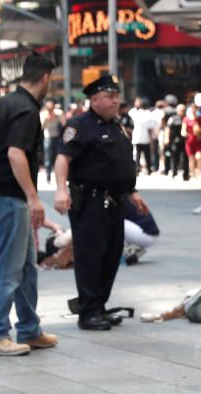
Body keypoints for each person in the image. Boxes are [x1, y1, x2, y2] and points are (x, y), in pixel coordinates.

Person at [54, 74, 150, 331]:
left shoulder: (115, 125)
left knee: (111, 255)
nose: (115, 101)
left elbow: (120, 164)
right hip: (91, 201)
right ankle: (88, 312)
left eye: (116, 96)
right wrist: (61, 190)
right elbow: (63, 158)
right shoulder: (80, 125)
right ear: (94, 99)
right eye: (109, 96)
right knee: (90, 257)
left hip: (116, 201)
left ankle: (99, 306)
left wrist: (133, 191)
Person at [0, 53, 59, 356]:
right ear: (45, 78)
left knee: (26, 267)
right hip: (7, 197)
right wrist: (33, 197)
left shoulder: (5, 103)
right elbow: (15, 154)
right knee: (9, 269)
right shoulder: (25, 110)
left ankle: (29, 328)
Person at [128, 97, 156, 175]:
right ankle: (145, 168)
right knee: (142, 154)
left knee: (139, 154)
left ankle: (139, 168)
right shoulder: (144, 113)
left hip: (139, 137)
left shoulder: (135, 113)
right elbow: (151, 127)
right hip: (142, 138)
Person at [41, 99, 63, 183]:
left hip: (57, 137)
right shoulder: (43, 114)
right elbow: (41, 127)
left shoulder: (58, 113)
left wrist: (59, 116)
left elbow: (64, 124)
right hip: (48, 138)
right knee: (48, 158)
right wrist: (46, 118)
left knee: (58, 157)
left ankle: (59, 176)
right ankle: (48, 175)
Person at [184, 100, 201, 178]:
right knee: (191, 159)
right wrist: (185, 133)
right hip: (190, 141)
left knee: (199, 156)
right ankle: (193, 174)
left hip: (198, 140)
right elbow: (183, 130)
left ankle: (199, 173)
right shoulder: (187, 119)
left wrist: (199, 130)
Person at [166, 104, 188, 180]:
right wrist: (167, 138)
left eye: (184, 110)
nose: (183, 112)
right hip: (175, 141)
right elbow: (168, 129)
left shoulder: (187, 118)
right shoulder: (173, 119)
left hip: (185, 141)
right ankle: (174, 172)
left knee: (186, 158)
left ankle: (186, 174)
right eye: (181, 110)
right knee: (175, 157)